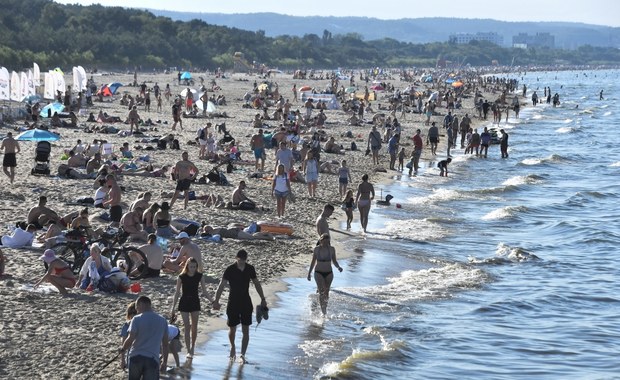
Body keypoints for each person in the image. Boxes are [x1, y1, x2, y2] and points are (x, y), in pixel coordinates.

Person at [212, 249, 268, 364]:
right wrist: (216, 301)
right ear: (236, 258)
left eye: (244, 260)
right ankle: (232, 347)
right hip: (233, 302)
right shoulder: (230, 269)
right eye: (240, 260)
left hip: (246, 302)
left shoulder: (250, 268)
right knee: (232, 329)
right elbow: (221, 285)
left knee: (245, 329)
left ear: (246, 259)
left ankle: (242, 354)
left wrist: (263, 299)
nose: (242, 262)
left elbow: (256, 283)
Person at [170, 257, 214, 359]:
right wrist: (173, 307)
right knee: (187, 326)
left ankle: (193, 347)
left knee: (194, 326)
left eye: (194, 267)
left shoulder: (200, 276)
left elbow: (204, 291)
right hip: (184, 302)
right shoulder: (181, 277)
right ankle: (188, 350)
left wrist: (212, 301)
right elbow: (177, 293)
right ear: (187, 266)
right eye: (191, 266)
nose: (193, 268)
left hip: (195, 302)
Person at [120, 296, 169, 377]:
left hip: (135, 357)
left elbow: (130, 339)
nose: (137, 311)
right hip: (152, 358)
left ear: (141, 304)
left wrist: (123, 349)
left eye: (137, 307)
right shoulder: (163, 320)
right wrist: (164, 362)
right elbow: (165, 344)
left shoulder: (136, 319)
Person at [307, 233, 343, 315]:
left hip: (329, 273)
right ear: (321, 240)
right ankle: (323, 312)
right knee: (321, 291)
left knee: (326, 292)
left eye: (327, 241)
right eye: (324, 241)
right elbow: (313, 262)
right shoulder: (316, 249)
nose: (326, 243)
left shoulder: (332, 249)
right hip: (318, 272)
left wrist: (338, 267)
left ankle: (324, 309)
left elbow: (334, 261)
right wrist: (309, 273)